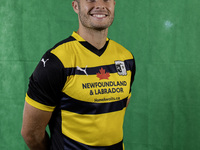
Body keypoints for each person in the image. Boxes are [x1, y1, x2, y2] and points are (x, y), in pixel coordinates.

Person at [21, 0, 136, 149]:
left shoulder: (126, 58)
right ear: (76, 6)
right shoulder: (55, 62)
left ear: (114, 4)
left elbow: (113, 114)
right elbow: (31, 134)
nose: (100, 4)